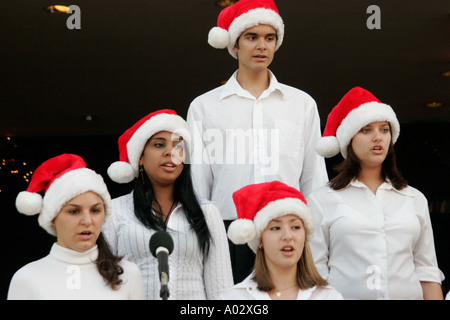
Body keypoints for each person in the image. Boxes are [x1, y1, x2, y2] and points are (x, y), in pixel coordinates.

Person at [187, 0, 328, 283]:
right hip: (228, 233)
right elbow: (198, 185)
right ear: (234, 45)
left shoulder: (302, 104)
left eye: (270, 37)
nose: (262, 45)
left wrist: (317, 247)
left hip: (288, 230)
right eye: (251, 37)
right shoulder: (204, 107)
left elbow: (314, 180)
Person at [309, 87, 445, 300]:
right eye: (366, 130)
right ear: (348, 139)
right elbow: (315, 274)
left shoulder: (414, 198)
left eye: (384, 129)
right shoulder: (321, 199)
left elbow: (427, 271)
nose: (377, 137)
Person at [104, 109, 233, 299]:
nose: (170, 152)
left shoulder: (207, 212)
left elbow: (221, 291)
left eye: (178, 147)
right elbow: (104, 283)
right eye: (158, 145)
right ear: (140, 157)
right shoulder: (114, 211)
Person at [8, 154, 144, 300]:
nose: (87, 220)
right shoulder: (27, 278)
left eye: (95, 210)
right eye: (74, 211)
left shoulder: (128, 273)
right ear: (52, 218)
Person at [219, 181, 343, 300]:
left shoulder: (329, 297)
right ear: (260, 240)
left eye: (295, 227)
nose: (288, 236)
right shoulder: (233, 298)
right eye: (275, 228)